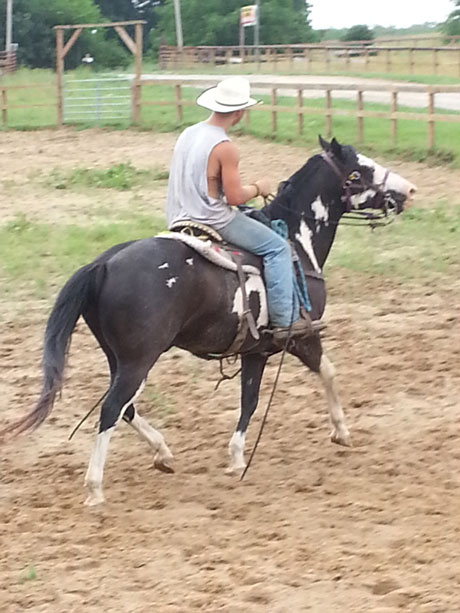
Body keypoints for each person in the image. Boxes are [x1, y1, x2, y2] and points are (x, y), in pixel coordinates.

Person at [165, 76, 314, 342]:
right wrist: (258, 188)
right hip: (212, 219)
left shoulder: (188, 133)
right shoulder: (225, 147)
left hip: (178, 216)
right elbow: (234, 197)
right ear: (238, 112)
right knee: (277, 248)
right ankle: (285, 321)